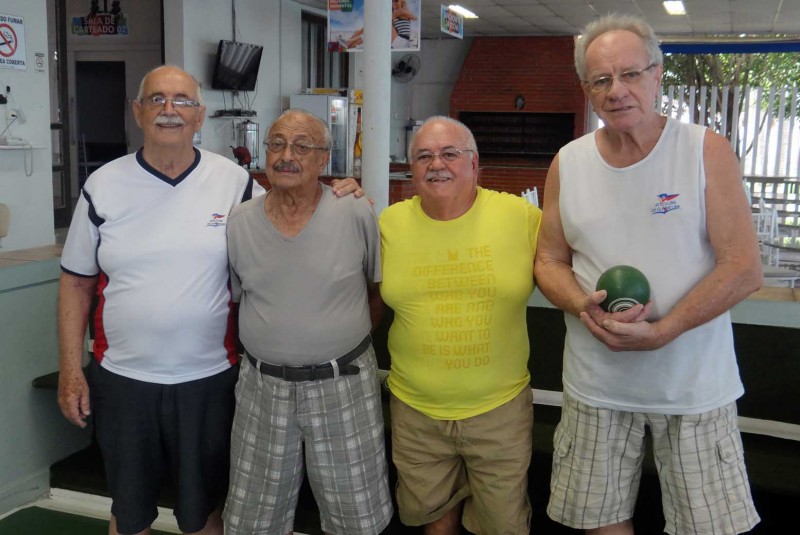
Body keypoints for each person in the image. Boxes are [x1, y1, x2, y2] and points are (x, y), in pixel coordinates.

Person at [57, 66, 360, 535]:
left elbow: (292, 210)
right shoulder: (102, 185)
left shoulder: (234, 182)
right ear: (137, 111)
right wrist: (71, 370)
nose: (169, 110)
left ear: (199, 116)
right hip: (122, 381)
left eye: (182, 101)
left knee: (202, 515)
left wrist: (342, 192)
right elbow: (76, 283)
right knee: (128, 514)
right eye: (156, 99)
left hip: (210, 382)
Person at [533, 14, 763, 535]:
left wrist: (664, 330)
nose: (617, 90)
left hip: (693, 388)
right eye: (601, 79)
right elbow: (548, 261)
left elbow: (743, 267)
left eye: (631, 74)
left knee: (708, 529)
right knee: (599, 523)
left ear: (657, 75)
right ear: (587, 90)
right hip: (596, 387)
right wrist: (581, 304)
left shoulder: (704, 149)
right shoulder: (568, 162)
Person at [222, 109, 393, 535]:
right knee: (252, 520)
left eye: (302, 146)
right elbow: (242, 297)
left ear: (324, 159)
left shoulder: (354, 211)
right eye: (277, 144)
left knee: (356, 519)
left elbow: (376, 293)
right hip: (262, 389)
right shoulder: (240, 221)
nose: (286, 156)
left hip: (344, 385)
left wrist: (333, 346)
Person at [379, 115, 542, 534]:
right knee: (435, 525)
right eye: (424, 156)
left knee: (503, 527)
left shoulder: (520, 216)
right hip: (415, 411)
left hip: (499, 411)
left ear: (474, 164)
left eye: (449, 153)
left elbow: (567, 259)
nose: (437, 164)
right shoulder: (388, 224)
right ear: (411, 168)